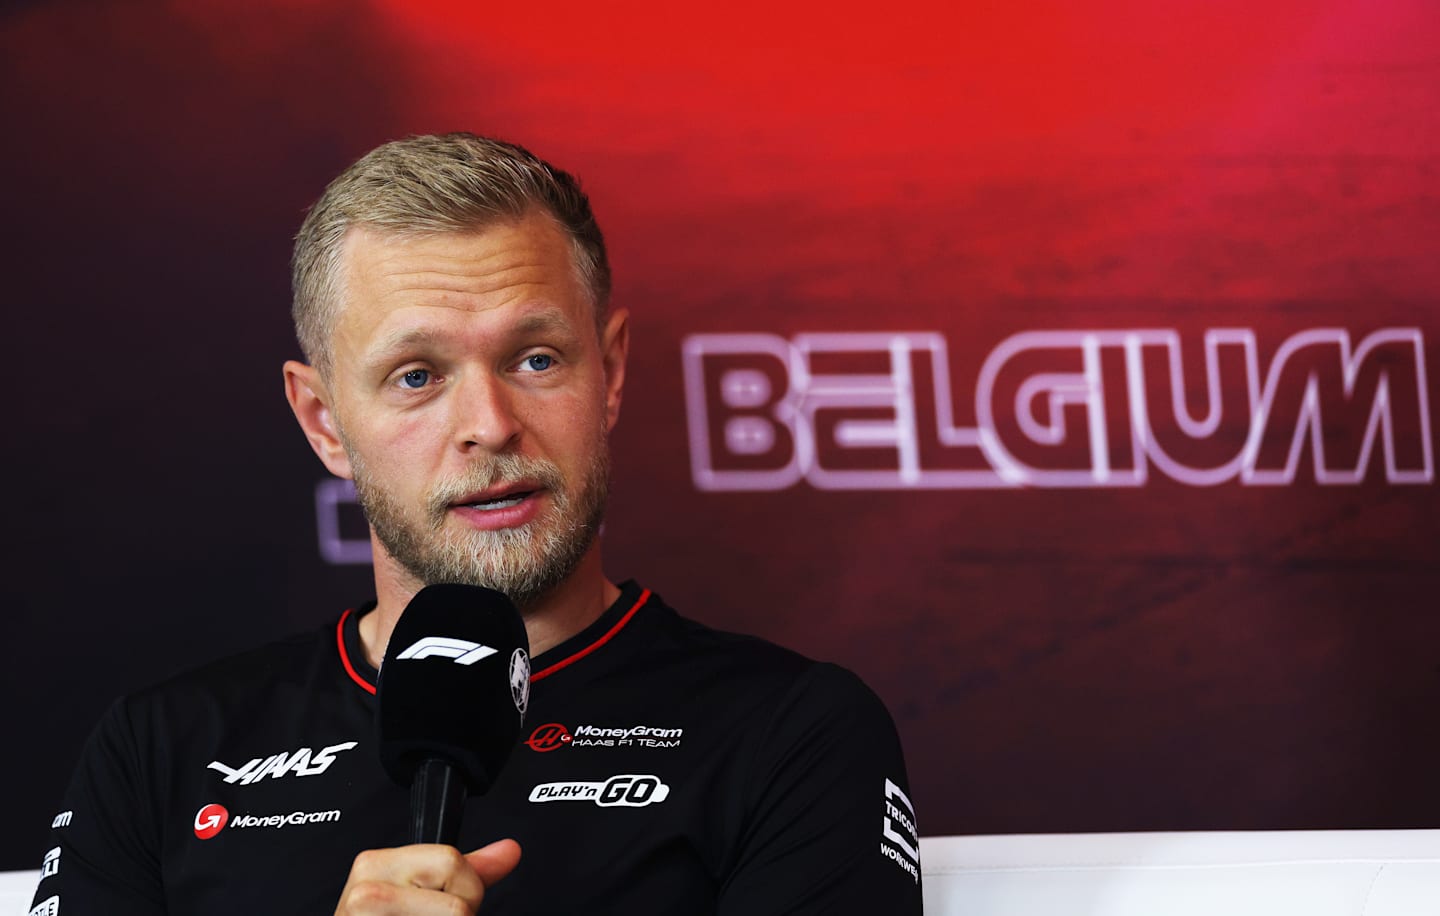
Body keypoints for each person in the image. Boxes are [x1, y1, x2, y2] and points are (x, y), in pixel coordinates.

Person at [32, 134, 923, 915]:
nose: (491, 424)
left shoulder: (791, 732)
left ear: (608, 373)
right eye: (417, 375)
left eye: (535, 358)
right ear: (322, 420)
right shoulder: (157, 751)